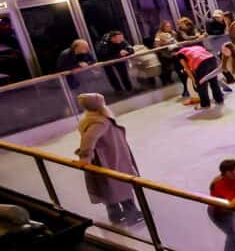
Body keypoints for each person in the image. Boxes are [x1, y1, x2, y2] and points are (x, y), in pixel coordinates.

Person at [73, 93, 144, 225]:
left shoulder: (93, 119)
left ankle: (115, 214)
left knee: (109, 187)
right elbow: (89, 140)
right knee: (120, 185)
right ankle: (131, 214)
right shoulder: (100, 122)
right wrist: (85, 157)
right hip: (111, 159)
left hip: (110, 156)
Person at [174, 44, 224, 110]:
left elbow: (186, 68)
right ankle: (219, 99)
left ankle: (205, 104)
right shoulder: (195, 47)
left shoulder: (179, 54)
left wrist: (194, 80)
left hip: (201, 63)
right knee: (213, 81)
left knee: (201, 84)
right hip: (212, 59)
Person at [154, 21, 188, 98]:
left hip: (179, 53)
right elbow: (156, 46)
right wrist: (166, 43)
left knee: (184, 71)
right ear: (163, 27)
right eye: (167, 26)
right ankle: (185, 88)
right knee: (180, 72)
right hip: (169, 56)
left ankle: (188, 88)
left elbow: (179, 41)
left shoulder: (173, 33)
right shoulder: (159, 35)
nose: (169, 27)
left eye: (170, 26)